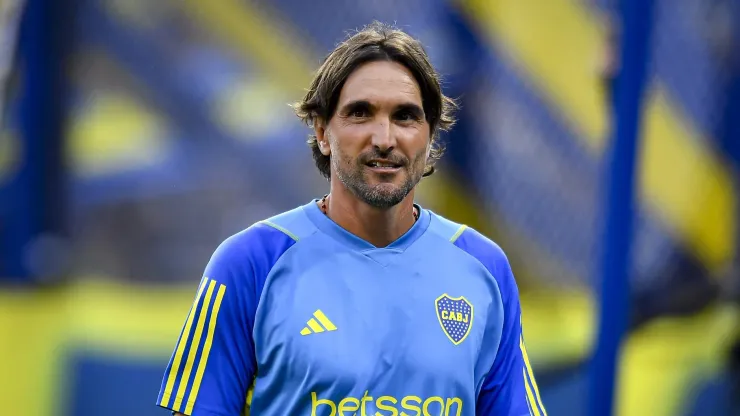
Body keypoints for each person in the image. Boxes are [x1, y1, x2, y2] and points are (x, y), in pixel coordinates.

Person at [156, 21, 547, 416]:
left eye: (405, 116)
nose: (384, 138)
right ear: (323, 132)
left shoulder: (484, 268)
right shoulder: (250, 262)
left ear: (430, 137)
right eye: (361, 113)